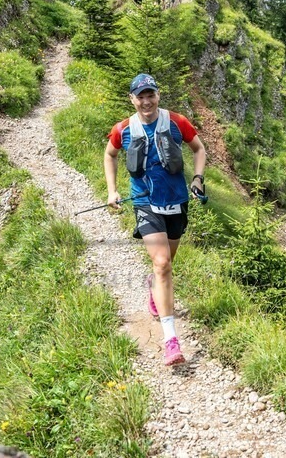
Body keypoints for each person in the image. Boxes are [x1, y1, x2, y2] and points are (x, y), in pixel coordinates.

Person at [104, 73, 206, 366]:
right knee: (162, 263)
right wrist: (112, 191)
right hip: (145, 203)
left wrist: (198, 178)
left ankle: (154, 286)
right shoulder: (123, 129)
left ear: (157, 96)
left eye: (151, 95)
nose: (146, 101)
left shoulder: (176, 122)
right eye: (141, 96)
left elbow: (199, 149)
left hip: (176, 202)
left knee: (167, 263)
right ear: (132, 99)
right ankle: (171, 341)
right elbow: (110, 155)